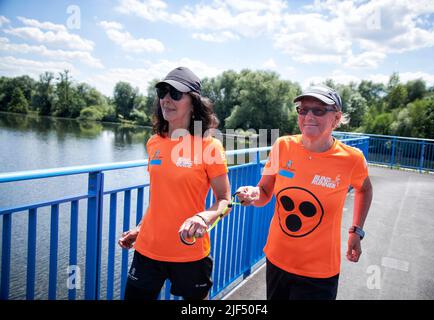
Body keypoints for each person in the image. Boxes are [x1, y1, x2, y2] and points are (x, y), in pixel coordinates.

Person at [236, 84, 373, 300]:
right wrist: (253, 193)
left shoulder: (351, 159)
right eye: (303, 109)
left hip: (319, 271)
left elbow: (364, 188)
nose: (308, 115)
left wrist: (356, 230)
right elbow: (264, 193)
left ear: (336, 118)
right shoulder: (282, 146)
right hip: (277, 260)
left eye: (318, 110)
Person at [118, 66, 231, 300]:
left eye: (176, 94)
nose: (166, 99)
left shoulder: (209, 147)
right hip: (148, 249)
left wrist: (203, 217)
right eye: (163, 92)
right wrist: (140, 228)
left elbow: (224, 201)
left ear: (193, 102)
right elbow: (160, 198)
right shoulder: (154, 143)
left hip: (189, 250)